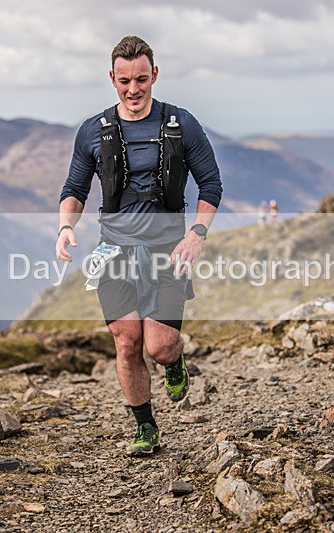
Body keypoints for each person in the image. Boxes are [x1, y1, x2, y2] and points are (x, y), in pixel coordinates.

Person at [56, 36, 222, 456]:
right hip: (114, 250)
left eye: (142, 79)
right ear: (112, 78)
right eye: (125, 80)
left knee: (159, 346)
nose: (134, 89)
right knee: (127, 340)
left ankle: (175, 359)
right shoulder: (93, 131)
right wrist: (65, 227)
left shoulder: (182, 123)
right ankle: (145, 426)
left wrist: (197, 234)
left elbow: (211, 184)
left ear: (155, 75)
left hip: (169, 250)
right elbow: (74, 188)